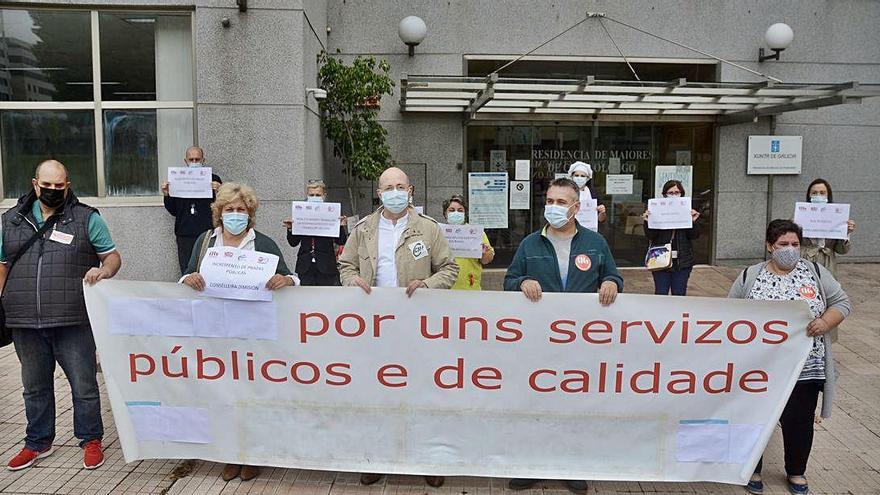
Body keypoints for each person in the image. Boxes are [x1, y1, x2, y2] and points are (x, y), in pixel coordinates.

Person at [338, 166, 458, 487]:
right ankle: (379, 456)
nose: (394, 191)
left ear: (410, 191)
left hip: (418, 327)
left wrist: (428, 285)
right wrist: (351, 280)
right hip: (375, 328)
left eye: (399, 186)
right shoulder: (364, 229)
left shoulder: (429, 229)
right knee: (378, 392)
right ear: (379, 192)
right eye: (387, 186)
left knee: (422, 392)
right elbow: (346, 264)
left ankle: (427, 460)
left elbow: (449, 268)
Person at [503, 177, 623, 495]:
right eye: (550, 201)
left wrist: (612, 283)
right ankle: (532, 465)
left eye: (561, 202)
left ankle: (571, 466)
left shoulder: (595, 244)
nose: (553, 207)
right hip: (538, 342)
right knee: (535, 403)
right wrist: (521, 283)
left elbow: (612, 275)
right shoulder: (530, 244)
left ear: (576, 207)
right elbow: (509, 279)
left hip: (580, 343)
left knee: (574, 405)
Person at [0, 160, 122, 471]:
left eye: (59, 185)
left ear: (67, 185)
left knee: (83, 385)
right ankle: (38, 442)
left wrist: (104, 270)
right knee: (34, 387)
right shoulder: (10, 221)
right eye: (47, 185)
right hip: (25, 320)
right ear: (34, 183)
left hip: (73, 318)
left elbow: (112, 256)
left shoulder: (85, 218)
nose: (52, 190)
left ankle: (91, 439)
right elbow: (2, 264)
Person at [180, 182, 299, 482]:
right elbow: (185, 275)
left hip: (253, 333)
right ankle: (230, 453)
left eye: (241, 210)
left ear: (250, 213)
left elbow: (290, 276)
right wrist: (189, 279)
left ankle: (253, 454)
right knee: (223, 394)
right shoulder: (205, 241)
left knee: (253, 395)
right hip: (216, 332)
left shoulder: (265, 243)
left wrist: (285, 281)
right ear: (219, 213)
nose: (236, 214)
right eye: (230, 209)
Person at [728, 219, 851, 495]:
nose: (790, 249)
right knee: (755, 419)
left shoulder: (816, 273)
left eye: (795, 244)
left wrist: (826, 322)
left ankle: (796, 471)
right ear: (770, 246)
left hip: (804, 368)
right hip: (758, 369)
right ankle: (752, 468)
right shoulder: (750, 276)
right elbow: (730, 313)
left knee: (799, 421)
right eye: (783, 244)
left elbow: (842, 302)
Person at [161, 146, 222, 275]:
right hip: (185, 233)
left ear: (203, 160)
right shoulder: (177, 179)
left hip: (207, 232)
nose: (194, 162)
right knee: (187, 271)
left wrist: (219, 191)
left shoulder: (214, 179)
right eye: (191, 159)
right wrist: (167, 194)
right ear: (186, 161)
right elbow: (173, 210)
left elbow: (221, 207)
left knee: (209, 270)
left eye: (197, 159)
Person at [283, 179, 347, 286]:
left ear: (324, 195)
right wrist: (290, 229)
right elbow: (293, 243)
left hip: (326, 265)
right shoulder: (300, 213)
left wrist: (340, 226)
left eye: (318, 195)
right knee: (306, 299)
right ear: (307, 195)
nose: (314, 197)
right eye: (311, 195)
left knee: (325, 299)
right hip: (305, 266)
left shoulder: (331, 212)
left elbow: (341, 241)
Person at [642, 180, 700, 295]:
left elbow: (694, 235)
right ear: (665, 194)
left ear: (681, 194)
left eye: (677, 192)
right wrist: (648, 222)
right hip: (660, 260)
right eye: (670, 192)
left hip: (682, 262)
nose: (674, 195)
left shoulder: (687, 211)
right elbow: (651, 236)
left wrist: (693, 222)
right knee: (661, 292)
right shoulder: (657, 210)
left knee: (679, 294)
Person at [800, 178, 856, 278]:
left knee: (827, 291)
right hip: (805, 261)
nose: (818, 196)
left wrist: (846, 233)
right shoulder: (799, 214)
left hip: (828, 263)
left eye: (822, 193)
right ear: (809, 195)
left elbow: (841, 250)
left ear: (828, 195)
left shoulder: (837, 216)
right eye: (814, 193)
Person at [442, 195, 494, 290]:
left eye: (460, 210)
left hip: (469, 286)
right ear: (445, 213)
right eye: (452, 210)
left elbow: (486, 260)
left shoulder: (476, 233)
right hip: (444, 287)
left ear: (465, 213)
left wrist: (484, 253)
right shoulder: (438, 232)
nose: (456, 213)